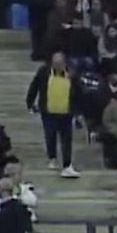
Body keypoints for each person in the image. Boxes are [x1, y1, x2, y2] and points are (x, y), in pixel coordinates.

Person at [25, 50, 81, 178]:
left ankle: (67, 164)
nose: (57, 66)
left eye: (60, 63)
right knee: (50, 135)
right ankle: (52, 158)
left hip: (66, 112)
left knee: (66, 139)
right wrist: (30, 102)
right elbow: (34, 87)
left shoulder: (72, 74)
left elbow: (78, 93)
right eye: (55, 63)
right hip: (48, 111)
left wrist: (78, 112)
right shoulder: (43, 72)